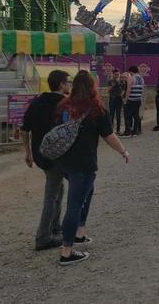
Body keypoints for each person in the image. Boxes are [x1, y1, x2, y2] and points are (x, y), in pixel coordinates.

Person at [54, 70, 129, 265]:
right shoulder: (96, 109)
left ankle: (80, 232)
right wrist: (123, 151)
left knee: (85, 193)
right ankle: (67, 251)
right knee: (75, 204)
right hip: (84, 163)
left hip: (65, 162)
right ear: (92, 86)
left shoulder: (64, 106)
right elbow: (109, 136)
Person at [21, 70, 71, 251]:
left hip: (40, 154)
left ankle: (54, 227)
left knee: (58, 188)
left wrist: (28, 152)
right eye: (67, 82)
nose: (69, 85)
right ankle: (43, 236)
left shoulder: (36, 101)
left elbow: (25, 129)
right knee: (52, 193)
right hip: (56, 155)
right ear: (61, 85)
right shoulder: (63, 104)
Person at [121, 66, 144, 137]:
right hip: (138, 99)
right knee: (136, 116)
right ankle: (135, 131)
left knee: (128, 116)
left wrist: (125, 99)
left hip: (131, 100)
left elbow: (128, 89)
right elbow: (142, 89)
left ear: (131, 71)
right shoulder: (141, 78)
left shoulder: (131, 78)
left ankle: (128, 132)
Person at [107, 70, 124, 134]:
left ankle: (118, 130)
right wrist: (114, 85)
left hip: (119, 99)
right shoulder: (110, 81)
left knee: (118, 115)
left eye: (118, 74)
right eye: (115, 74)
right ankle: (111, 130)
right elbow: (108, 90)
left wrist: (119, 83)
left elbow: (123, 90)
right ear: (113, 75)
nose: (116, 75)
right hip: (112, 99)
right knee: (111, 115)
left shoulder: (121, 81)